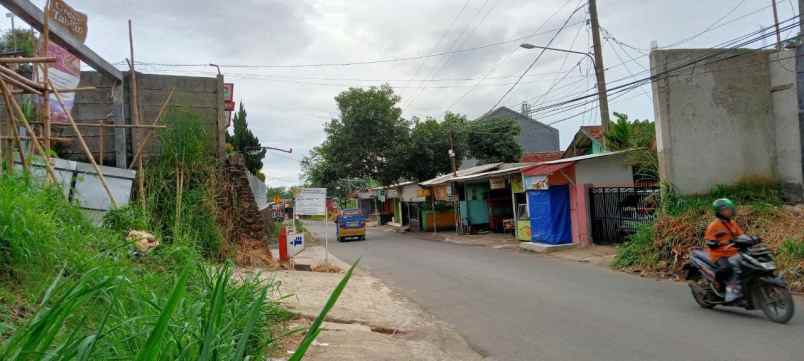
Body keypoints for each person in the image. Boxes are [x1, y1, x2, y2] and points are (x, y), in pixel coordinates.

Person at [704, 198, 744, 302]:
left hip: (734, 253)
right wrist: (721, 243)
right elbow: (709, 241)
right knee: (727, 268)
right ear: (720, 211)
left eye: (730, 209)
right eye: (727, 210)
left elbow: (741, 236)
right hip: (720, 254)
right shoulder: (714, 226)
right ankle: (717, 283)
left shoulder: (732, 223)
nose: (730, 211)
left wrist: (751, 239)